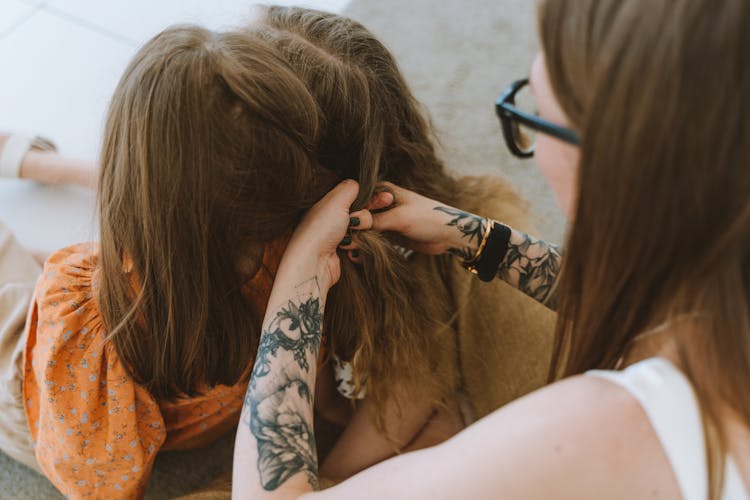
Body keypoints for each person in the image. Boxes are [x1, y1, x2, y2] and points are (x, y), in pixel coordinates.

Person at [0, 12, 551, 499]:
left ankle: (39, 164)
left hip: (153, 262)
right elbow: (94, 480)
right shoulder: (93, 339)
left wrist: (329, 463)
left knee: (163, 198)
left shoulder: (317, 247)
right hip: (30, 378)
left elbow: (415, 389)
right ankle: (37, 165)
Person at [231, 0, 750, 498]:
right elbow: (657, 316)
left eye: (535, 118)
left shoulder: (611, 429)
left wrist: (295, 289)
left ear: (613, 166)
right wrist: (482, 238)